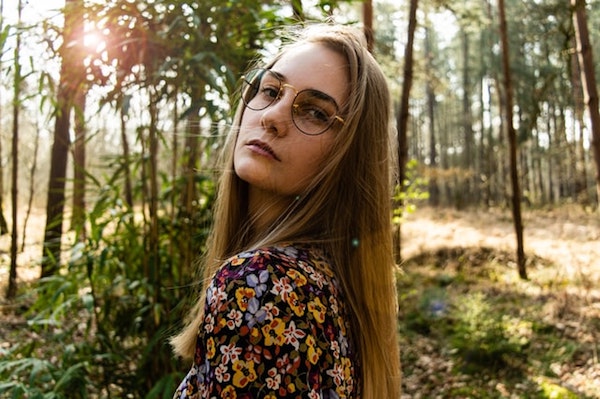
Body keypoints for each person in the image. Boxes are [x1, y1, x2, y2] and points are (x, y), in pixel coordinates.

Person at [171, 23, 401, 399]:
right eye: (270, 90)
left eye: (314, 112)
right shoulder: (329, 285)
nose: (272, 118)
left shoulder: (260, 285)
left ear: (349, 157)